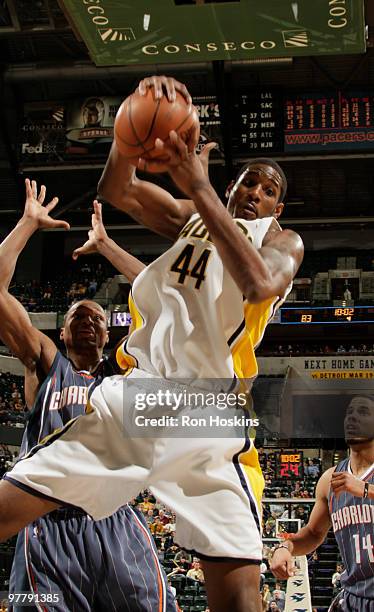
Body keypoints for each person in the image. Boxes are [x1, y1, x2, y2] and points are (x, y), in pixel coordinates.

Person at [0, 76, 304, 612]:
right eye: (247, 183)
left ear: (278, 208)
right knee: (10, 508)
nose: (255, 192)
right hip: (143, 395)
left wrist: (201, 185)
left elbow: (258, 282)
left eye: (269, 189)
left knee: (238, 598)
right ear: (231, 189)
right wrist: (127, 128)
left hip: (209, 414)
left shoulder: (281, 241)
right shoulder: (193, 220)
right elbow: (116, 189)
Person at [0, 180, 176, 611]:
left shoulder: (124, 381)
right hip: (45, 525)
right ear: (60, 333)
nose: (87, 319)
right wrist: (26, 225)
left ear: (109, 334)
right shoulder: (46, 363)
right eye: (77, 315)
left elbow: (169, 302)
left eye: (96, 316)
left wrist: (108, 246)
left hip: (115, 520)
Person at [270, 394, 374, 611]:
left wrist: (365, 489)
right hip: (354, 597)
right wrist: (285, 547)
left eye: (362, 412)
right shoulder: (329, 478)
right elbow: (314, 534)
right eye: (349, 413)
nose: (352, 418)